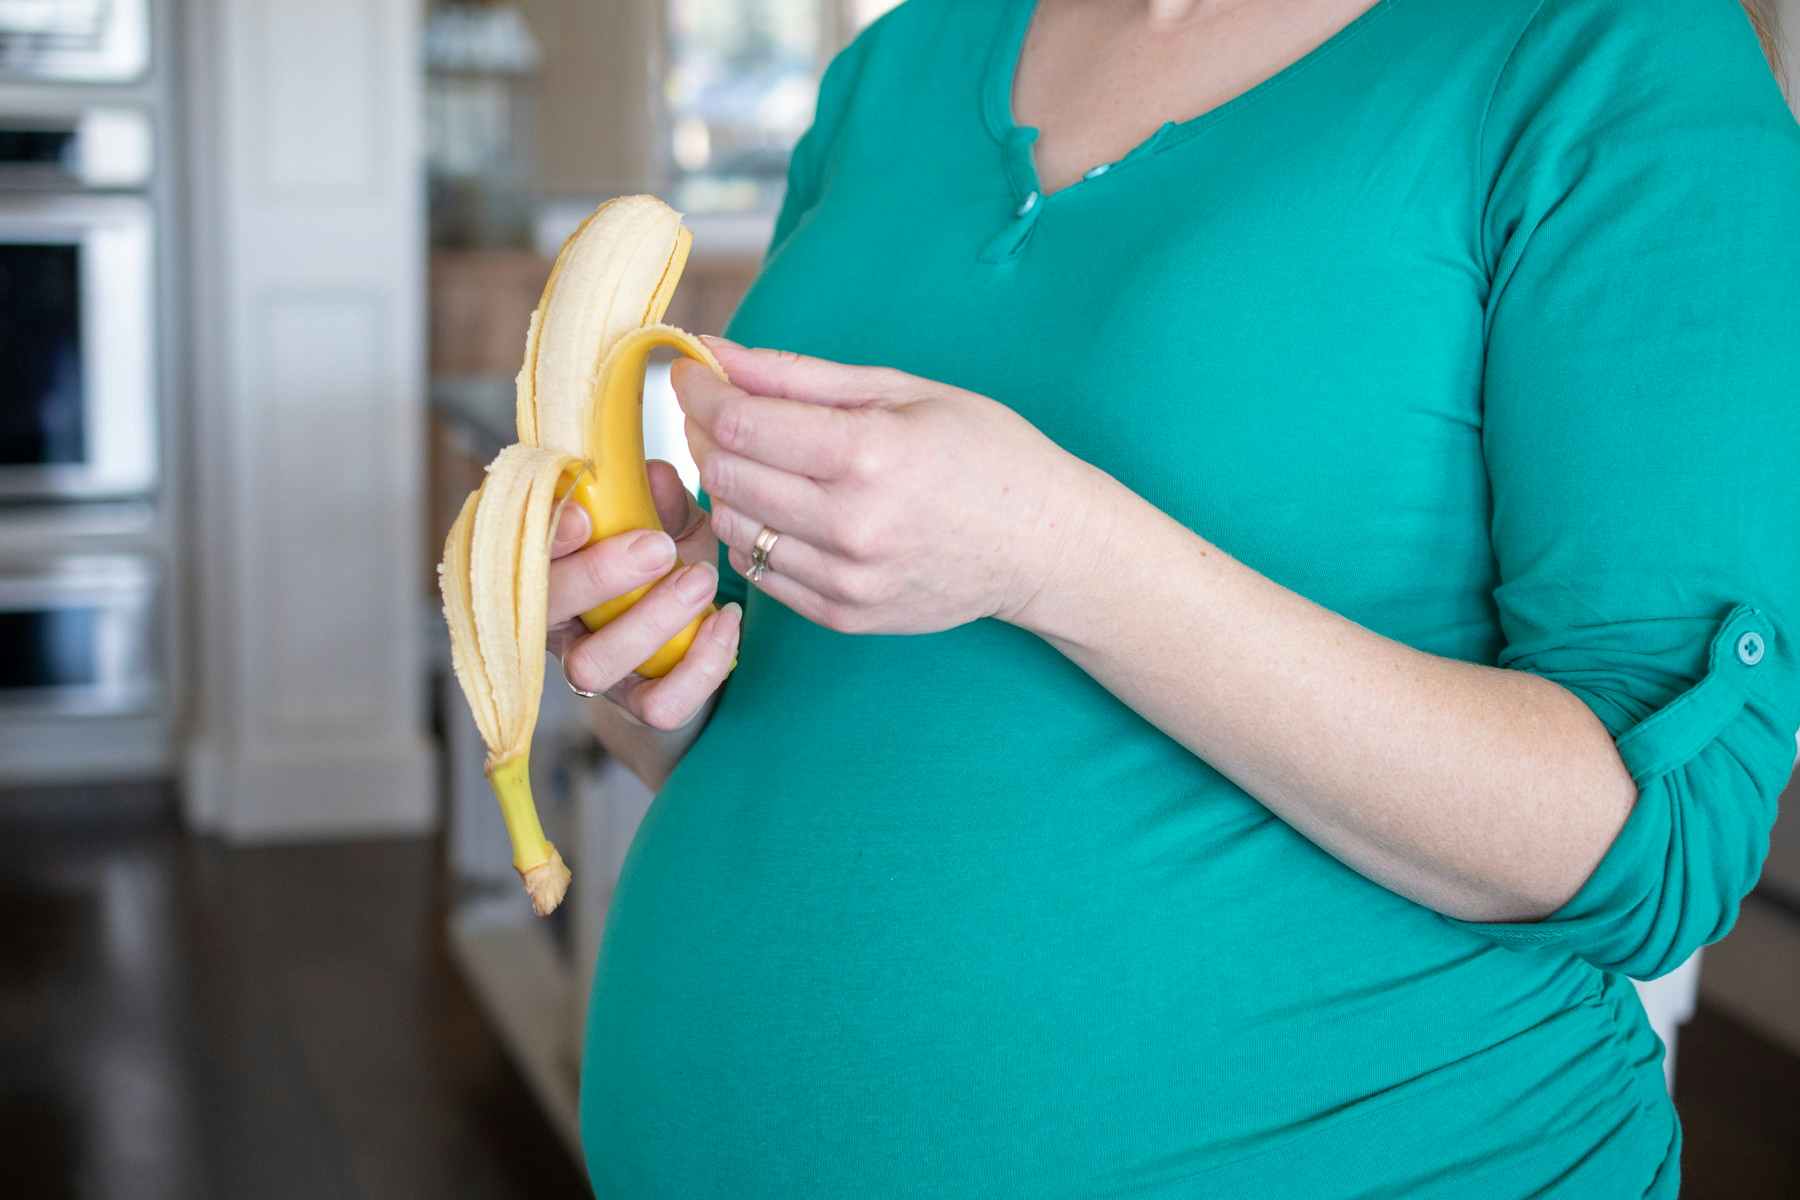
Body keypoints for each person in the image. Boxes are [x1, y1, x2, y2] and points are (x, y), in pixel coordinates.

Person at [544, 1, 1800, 1195]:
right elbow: (831, 719)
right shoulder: (902, 62)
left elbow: (1652, 838)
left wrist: (1055, 551)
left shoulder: (1611, 54)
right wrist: (656, 672)